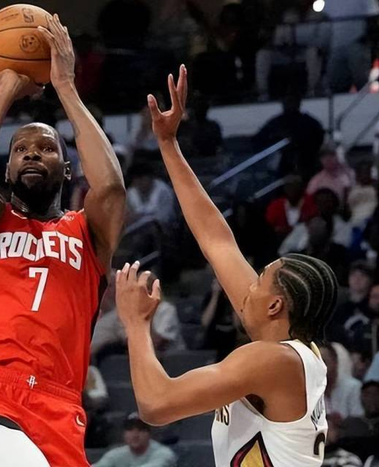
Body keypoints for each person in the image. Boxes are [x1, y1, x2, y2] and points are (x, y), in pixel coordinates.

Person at [117, 66, 335, 466]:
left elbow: (157, 404)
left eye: (260, 280)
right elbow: (217, 241)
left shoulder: (273, 360)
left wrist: (135, 323)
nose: (248, 286)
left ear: (275, 306)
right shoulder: (293, 353)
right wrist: (168, 144)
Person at [0, 15, 125, 467]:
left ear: (68, 169)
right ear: (6, 170)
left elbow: (110, 188)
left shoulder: (88, 233)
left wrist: (65, 86)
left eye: (46, 149)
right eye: (21, 149)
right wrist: (6, 85)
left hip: (60, 405)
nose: (31, 155)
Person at [254, 92, 324, 180]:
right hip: (282, 164)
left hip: (306, 163)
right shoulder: (276, 122)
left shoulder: (310, 122)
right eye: (288, 101)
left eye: (292, 101)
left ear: (299, 103)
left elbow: (319, 140)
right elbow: (259, 140)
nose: (290, 104)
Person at [93, 412, 177, 467]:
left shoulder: (164, 453)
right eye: (130, 429)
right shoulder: (116, 454)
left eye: (141, 430)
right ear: (124, 434)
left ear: (149, 434)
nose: (135, 435)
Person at [265, 175, 317, 240]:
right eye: (288, 186)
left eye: (295, 185)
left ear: (301, 187)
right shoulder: (275, 206)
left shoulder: (311, 201)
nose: (291, 189)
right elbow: (268, 228)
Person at [320, 344, 364, 422]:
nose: (320, 367)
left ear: (335, 362)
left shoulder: (354, 387)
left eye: (324, 362)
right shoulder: (312, 391)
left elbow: (358, 421)